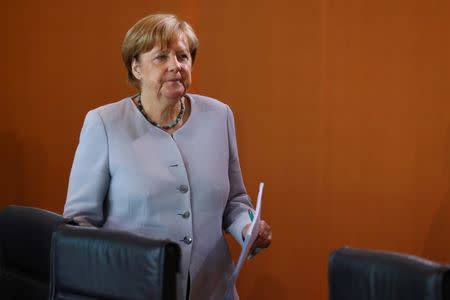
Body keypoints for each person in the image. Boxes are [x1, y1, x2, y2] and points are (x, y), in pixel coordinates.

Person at [63, 13, 272, 300]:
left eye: (183, 56)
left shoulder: (219, 116)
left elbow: (235, 201)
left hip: (211, 290)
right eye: (161, 57)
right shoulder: (104, 123)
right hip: (131, 291)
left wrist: (248, 227)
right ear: (136, 67)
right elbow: (79, 223)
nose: (176, 66)